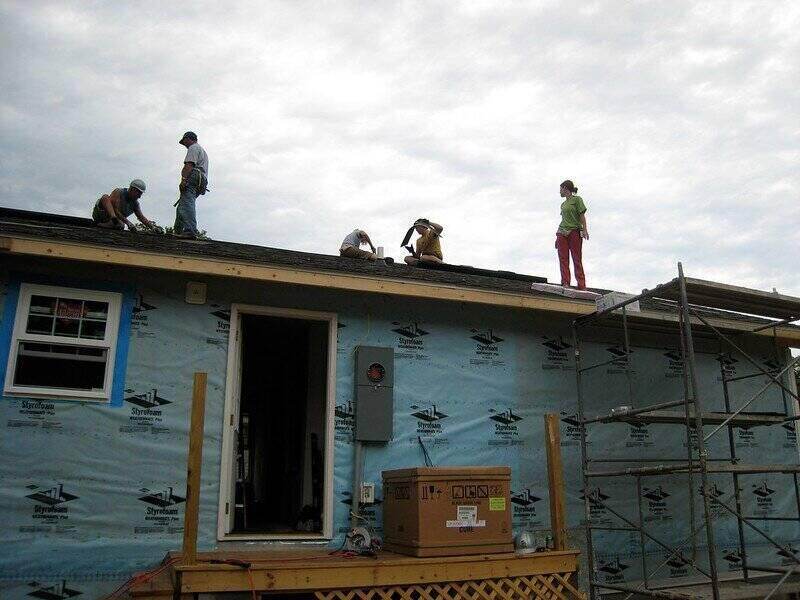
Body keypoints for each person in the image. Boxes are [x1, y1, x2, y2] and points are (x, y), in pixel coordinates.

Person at [174, 131, 209, 239]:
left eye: (184, 141)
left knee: (187, 203)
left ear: (188, 139)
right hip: (201, 180)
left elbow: (189, 165)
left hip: (194, 176)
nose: (184, 144)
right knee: (183, 205)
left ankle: (190, 230)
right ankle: (178, 231)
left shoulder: (193, 147)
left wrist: (184, 180)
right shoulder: (202, 151)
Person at [555, 179, 588, 289]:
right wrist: (557, 239)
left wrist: (585, 230)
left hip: (574, 231)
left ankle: (581, 285)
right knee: (563, 258)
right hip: (562, 232)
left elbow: (582, 215)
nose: (559, 192)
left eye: (560, 189)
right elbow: (564, 219)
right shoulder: (563, 204)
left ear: (565, 188)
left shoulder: (577, 200)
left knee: (576, 258)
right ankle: (565, 282)